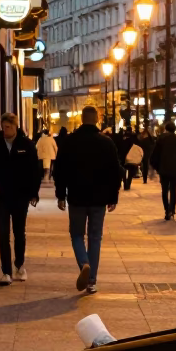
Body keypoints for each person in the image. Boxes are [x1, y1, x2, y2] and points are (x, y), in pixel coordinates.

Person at [53, 105, 123, 294]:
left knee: (76, 234)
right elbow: (114, 172)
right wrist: (113, 196)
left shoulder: (69, 142)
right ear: (97, 119)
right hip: (99, 199)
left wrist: (60, 195)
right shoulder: (106, 143)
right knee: (95, 237)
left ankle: (84, 263)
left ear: (82, 119)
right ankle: (91, 281)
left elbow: (59, 170)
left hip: (77, 197)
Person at [0, 113, 41, 285]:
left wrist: (33, 192)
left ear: (15, 126)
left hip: (20, 196)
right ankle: (6, 272)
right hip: (1, 197)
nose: (5, 130)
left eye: (8, 127)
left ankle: (19, 265)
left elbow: (35, 170)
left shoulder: (26, 145)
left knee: (19, 232)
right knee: (3, 234)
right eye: (3, 127)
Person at [150, 120, 176, 219]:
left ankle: (167, 210)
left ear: (166, 129)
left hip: (164, 168)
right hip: (175, 169)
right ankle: (172, 209)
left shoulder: (161, 140)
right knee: (173, 190)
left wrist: (155, 167)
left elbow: (155, 154)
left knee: (164, 190)